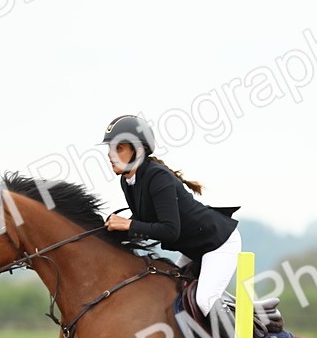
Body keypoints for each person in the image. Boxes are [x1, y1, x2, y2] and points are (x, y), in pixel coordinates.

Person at [101, 114, 241, 320]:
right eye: (109, 149)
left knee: (203, 302)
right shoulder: (129, 181)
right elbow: (141, 223)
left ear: (137, 151)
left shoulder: (158, 177)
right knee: (173, 293)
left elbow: (169, 231)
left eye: (118, 148)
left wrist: (128, 224)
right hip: (194, 249)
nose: (110, 155)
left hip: (218, 244)